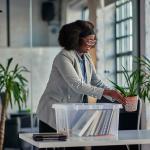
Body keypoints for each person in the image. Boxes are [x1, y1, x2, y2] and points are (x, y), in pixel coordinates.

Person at [36, 20, 126, 149]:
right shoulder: (63, 57)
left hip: (71, 113)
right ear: (76, 39)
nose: (91, 45)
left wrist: (114, 95)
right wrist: (108, 93)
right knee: (51, 147)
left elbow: (96, 82)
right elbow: (77, 85)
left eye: (93, 41)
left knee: (76, 146)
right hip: (53, 112)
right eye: (88, 41)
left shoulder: (86, 57)